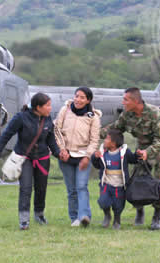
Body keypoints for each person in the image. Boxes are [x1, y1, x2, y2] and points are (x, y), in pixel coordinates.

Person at [101, 87, 160, 230]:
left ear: (135, 101)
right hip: (142, 149)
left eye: (125, 100)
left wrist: (148, 152)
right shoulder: (127, 114)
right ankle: (139, 210)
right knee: (137, 181)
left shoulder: (155, 114)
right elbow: (115, 128)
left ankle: (157, 217)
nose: (123, 102)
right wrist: (92, 134)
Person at [0, 93, 61, 230]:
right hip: (25, 158)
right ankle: (24, 220)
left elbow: (51, 140)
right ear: (38, 107)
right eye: (48, 105)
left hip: (42, 158)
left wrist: (59, 154)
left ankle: (39, 214)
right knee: (26, 188)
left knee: (41, 188)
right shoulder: (21, 118)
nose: (50, 108)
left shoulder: (48, 120)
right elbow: (6, 135)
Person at [54, 87, 102, 227]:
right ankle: (74, 217)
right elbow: (57, 130)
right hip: (66, 155)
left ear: (88, 100)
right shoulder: (65, 110)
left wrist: (88, 156)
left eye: (82, 97)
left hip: (83, 156)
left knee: (81, 186)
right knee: (71, 189)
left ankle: (84, 216)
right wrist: (62, 150)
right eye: (76, 96)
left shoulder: (93, 117)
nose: (78, 100)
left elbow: (94, 140)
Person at [91, 129, 137, 230]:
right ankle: (107, 215)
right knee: (103, 201)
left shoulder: (124, 152)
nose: (104, 141)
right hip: (106, 184)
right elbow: (97, 166)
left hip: (120, 186)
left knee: (118, 205)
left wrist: (138, 155)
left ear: (114, 143)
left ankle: (117, 219)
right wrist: (95, 157)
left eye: (107, 138)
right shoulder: (103, 152)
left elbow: (133, 159)